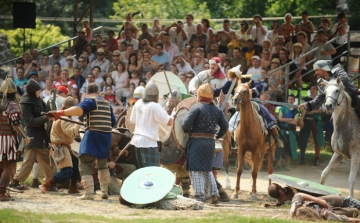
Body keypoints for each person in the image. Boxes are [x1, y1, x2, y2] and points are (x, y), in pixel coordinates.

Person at [47, 83, 116, 200]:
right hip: (106, 137)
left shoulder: (90, 101)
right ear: (98, 92)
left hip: (93, 135)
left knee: (84, 162)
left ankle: (89, 193)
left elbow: (79, 110)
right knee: (102, 164)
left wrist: (61, 113)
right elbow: (113, 123)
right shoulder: (107, 104)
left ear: (87, 93)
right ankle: (104, 192)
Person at [181, 83, 228, 204]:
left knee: (195, 169)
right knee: (207, 169)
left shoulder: (197, 108)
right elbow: (225, 126)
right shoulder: (217, 110)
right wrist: (217, 136)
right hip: (210, 142)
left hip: (196, 142)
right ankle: (214, 195)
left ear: (199, 95)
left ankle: (199, 197)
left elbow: (185, 125)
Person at [8, 79, 54, 191]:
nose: (39, 92)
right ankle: (14, 182)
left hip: (41, 134)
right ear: (33, 91)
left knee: (46, 160)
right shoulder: (25, 102)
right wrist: (45, 117)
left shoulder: (38, 99)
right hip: (32, 134)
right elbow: (29, 121)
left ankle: (49, 182)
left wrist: (51, 113)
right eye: (38, 91)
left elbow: (45, 110)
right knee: (28, 161)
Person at [38, 96, 81, 194]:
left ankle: (73, 187)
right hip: (60, 147)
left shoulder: (61, 116)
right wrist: (79, 121)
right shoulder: (64, 117)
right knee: (67, 171)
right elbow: (71, 132)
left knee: (75, 164)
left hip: (63, 145)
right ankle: (46, 184)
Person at [0, 78, 31, 201]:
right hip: (7, 140)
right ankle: (1, 193)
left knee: (1, 166)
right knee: (10, 168)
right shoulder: (12, 104)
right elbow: (16, 124)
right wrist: (25, 137)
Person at [129, 83, 173, 168]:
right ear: (156, 95)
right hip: (148, 142)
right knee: (152, 172)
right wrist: (174, 113)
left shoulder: (138, 103)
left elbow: (132, 120)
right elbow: (169, 122)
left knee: (141, 171)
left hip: (137, 141)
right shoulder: (155, 106)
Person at [299, 84, 325, 166]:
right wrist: (301, 120)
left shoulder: (320, 100)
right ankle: (302, 159)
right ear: (310, 89)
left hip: (316, 122)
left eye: (315, 88)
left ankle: (317, 159)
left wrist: (311, 110)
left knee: (317, 141)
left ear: (317, 90)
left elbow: (321, 110)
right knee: (303, 140)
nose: (313, 89)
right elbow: (304, 110)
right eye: (312, 88)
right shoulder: (306, 99)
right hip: (306, 121)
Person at [290, 192, 360, 222]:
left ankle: (344, 201)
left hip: (322, 202)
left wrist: (318, 200)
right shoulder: (324, 214)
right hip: (331, 211)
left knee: (339, 198)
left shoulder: (296, 207)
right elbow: (344, 219)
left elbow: (298, 195)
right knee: (355, 211)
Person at [277, 94, 299, 171]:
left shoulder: (296, 111)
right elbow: (280, 119)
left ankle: (287, 165)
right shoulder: (283, 109)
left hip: (291, 132)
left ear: (294, 100)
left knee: (289, 149)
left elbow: (295, 122)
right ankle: (278, 164)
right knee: (280, 147)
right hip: (283, 130)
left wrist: (285, 119)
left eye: (292, 99)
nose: (290, 100)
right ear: (287, 100)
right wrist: (290, 119)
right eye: (289, 99)